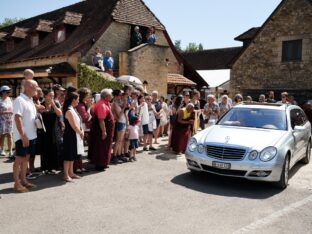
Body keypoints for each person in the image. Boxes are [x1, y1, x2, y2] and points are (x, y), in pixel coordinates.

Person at [12, 80, 38, 193]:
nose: (37, 89)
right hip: (23, 136)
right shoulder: (19, 100)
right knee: (19, 159)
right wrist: (23, 136)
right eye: (35, 87)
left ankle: (23, 180)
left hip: (31, 135)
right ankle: (16, 183)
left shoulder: (30, 100)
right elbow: (18, 118)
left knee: (26, 159)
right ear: (28, 87)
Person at [88, 89, 115, 171]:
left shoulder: (105, 103)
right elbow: (101, 119)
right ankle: (100, 164)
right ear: (106, 97)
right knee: (101, 147)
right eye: (111, 95)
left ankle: (104, 162)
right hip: (101, 130)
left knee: (105, 147)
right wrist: (104, 131)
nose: (112, 97)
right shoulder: (101, 105)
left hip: (106, 129)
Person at [62, 92, 84, 182]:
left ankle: (71, 173)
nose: (78, 101)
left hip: (74, 135)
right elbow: (74, 125)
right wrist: (80, 132)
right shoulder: (69, 110)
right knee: (68, 156)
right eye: (78, 99)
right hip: (70, 135)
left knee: (72, 155)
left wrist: (81, 131)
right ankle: (66, 175)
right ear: (73, 99)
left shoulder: (72, 109)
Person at [40, 89, 63, 174]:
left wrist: (53, 104)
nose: (52, 97)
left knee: (54, 147)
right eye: (50, 95)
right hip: (44, 130)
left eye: (53, 96)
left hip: (54, 129)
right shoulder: (41, 104)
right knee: (45, 148)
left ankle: (54, 167)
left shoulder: (56, 104)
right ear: (45, 96)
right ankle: (45, 168)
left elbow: (60, 114)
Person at [75, 88, 92, 173]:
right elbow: (85, 118)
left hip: (80, 128)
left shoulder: (81, 104)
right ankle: (78, 167)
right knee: (79, 148)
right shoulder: (80, 106)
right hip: (79, 129)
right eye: (87, 96)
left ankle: (79, 166)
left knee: (80, 148)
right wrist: (88, 108)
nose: (88, 98)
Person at [111, 90, 128, 164]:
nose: (120, 96)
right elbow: (118, 116)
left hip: (123, 122)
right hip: (120, 123)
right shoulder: (114, 104)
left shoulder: (118, 103)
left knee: (121, 140)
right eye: (119, 95)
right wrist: (124, 107)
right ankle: (114, 156)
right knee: (118, 140)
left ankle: (119, 154)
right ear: (116, 96)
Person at [0, 85, 13, 158]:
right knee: (2, 135)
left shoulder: (10, 99)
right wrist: (5, 112)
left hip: (10, 120)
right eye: (7, 91)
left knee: (9, 135)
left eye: (9, 91)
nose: (9, 92)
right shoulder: (0, 100)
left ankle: (10, 151)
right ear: (2, 92)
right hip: (2, 120)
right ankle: (2, 149)